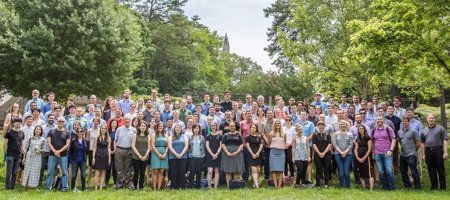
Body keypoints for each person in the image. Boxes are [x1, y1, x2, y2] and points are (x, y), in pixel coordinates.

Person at [420, 113, 448, 190]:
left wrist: (445, 152)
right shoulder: (423, 130)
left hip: (438, 150)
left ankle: (443, 187)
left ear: (434, 119)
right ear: (427, 119)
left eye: (432, 118)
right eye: (429, 118)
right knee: (431, 170)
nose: (431, 119)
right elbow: (422, 143)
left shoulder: (441, 129)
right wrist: (423, 154)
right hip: (428, 151)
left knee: (440, 169)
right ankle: (434, 186)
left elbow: (445, 140)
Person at [46, 116, 70, 191]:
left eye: (62, 121)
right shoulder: (51, 131)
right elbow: (49, 143)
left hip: (63, 155)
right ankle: (48, 188)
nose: (61, 123)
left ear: (64, 123)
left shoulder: (67, 132)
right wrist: (55, 151)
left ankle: (64, 188)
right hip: (52, 155)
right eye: (59, 121)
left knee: (64, 173)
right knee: (50, 172)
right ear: (57, 122)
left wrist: (58, 151)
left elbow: (67, 144)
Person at [372, 116, 396, 190]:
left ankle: (392, 187)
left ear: (383, 120)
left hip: (387, 153)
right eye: (378, 119)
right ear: (376, 121)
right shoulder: (373, 129)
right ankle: (385, 187)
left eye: (380, 119)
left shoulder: (388, 128)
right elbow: (372, 142)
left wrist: (391, 150)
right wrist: (373, 152)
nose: (379, 120)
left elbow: (393, 139)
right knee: (381, 171)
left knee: (389, 171)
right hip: (377, 153)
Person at [398, 117, 421, 189]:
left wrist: (414, 150)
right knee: (403, 171)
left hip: (411, 154)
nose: (405, 123)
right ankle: (407, 185)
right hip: (403, 154)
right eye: (403, 121)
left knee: (413, 171)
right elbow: (399, 142)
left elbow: (418, 143)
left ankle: (418, 186)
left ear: (409, 122)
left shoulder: (413, 131)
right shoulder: (399, 132)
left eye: (406, 121)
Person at [114, 116, 136, 189]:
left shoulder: (134, 130)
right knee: (119, 169)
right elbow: (115, 140)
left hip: (129, 151)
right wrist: (115, 149)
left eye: (128, 119)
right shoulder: (119, 129)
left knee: (128, 169)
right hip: (119, 150)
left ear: (130, 120)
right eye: (125, 119)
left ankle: (127, 185)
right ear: (123, 121)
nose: (127, 121)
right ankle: (119, 185)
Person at [221, 122, 244, 188]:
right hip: (227, 154)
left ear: (235, 127)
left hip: (237, 154)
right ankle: (229, 186)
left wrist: (237, 152)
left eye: (233, 126)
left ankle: (235, 186)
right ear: (228, 127)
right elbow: (223, 144)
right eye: (230, 126)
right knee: (228, 171)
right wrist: (227, 152)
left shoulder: (239, 134)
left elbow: (241, 144)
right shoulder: (225, 135)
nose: (232, 127)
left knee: (236, 170)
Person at [4, 118, 25, 190]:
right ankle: (7, 186)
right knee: (9, 172)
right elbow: (5, 144)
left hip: (18, 156)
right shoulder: (9, 132)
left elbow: (21, 143)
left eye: (19, 122)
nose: (18, 124)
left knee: (15, 172)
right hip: (10, 155)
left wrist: (22, 151)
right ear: (14, 123)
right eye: (16, 122)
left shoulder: (22, 133)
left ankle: (12, 187)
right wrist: (6, 153)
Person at [331, 120, 354, 188]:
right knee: (341, 171)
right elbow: (334, 144)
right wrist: (341, 152)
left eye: (344, 124)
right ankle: (341, 185)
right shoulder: (335, 134)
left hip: (348, 154)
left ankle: (347, 186)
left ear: (347, 125)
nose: (343, 125)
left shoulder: (350, 134)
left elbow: (351, 144)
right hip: (338, 154)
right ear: (339, 125)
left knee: (346, 171)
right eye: (341, 124)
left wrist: (345, 152)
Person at [168, 124, 189, 189]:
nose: (178, 129)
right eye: (177, 127)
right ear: (174, 129)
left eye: (179, 128)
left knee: (182, 172)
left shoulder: (184, 136)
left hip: (183, 157)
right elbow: (169, 147)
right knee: (174, 172)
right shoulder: (170, 137)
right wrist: (176, 154)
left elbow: (186, 146)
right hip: (172, 157)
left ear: (181, 129)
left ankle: (181, 186)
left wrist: (181, 154)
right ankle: (174, 186)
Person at [131, 122, 151, 190]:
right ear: (139, 127)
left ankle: (141, 186)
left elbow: (149, 147)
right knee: (136, 172)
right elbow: (133, 146)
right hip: (136, 157)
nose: (143, 127)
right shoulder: (135, 135)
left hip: (145, 157)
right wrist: (139, 155)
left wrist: (145, 155)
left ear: (146, 128)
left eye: (144, 126)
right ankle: (135, 186)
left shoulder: (148, 136)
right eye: (142, 126)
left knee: (142, 173)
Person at [312, 121, 332, 188]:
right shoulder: (315, 135)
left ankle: (326, 184)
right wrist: (319, 153)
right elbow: (314, 145)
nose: (321, 126)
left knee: (326, 169)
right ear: (317, 126)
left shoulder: (327, 135)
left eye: (322, 125)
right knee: (318, 169)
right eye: (319, 125)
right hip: (317, 154)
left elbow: (329, 145)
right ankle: (318, 185)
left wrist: (324, 153)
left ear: (324, 126)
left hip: (326, 154)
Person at [354, 125, 374, 191]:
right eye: (360, 129)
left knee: (369, 173)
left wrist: (365, 157)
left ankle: (371, 190)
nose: (361, 130)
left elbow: (369, 149)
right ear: (358, 130)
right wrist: (357, 157)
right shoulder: (357, 139)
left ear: (364, 130)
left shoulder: (368, 138)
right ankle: (364, 188)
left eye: (362, 129)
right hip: (359, 158)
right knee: (361, 173)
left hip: (367, 158)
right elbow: (355, 149)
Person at [150, 122, 169, 190]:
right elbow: (152, 145)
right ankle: (154, 188)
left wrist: (165, 154)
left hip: (164, 154)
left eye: (162, 126)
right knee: (155, 171)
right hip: (155, 154)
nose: (160, 127)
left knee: (161, 171)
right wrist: (158, 154)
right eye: (159, 126)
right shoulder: (154, 135)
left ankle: (159, 188)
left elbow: (168, 146)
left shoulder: (165, 135)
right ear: (157, 127)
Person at [268, 120, 286, 189]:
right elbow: (269, 143)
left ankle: (279, 186)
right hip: (273, 152)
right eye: (276, 123)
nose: (277, 124)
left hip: (281, 153)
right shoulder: (271, 134)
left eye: (279, 123)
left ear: (280, 125)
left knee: (281, 170)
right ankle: (276, 186)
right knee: (274, 170)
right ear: (274, 125)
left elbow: (284, 142)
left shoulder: (283, 134)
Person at [92, 126, 111, 190]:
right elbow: (94, 147)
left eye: (105, 129)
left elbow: (108, 148)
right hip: (98, 155)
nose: (103, 130)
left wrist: (109, 158)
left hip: (105, 156)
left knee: (103, 173)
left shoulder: (108, 138)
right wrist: (93, 157)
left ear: (106, 130)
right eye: (102, 128)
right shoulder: (96, 137)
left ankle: (100, 188)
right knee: (97, 173)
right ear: (100, 129)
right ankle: (95, 188)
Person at [245, 123, 263, 188]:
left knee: (258, 170)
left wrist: (258, 153)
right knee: (254, 170)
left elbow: (261, 145)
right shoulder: (247, 137)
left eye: (254, 128)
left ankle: (254, 184)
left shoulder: (259, 137)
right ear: (250, 129)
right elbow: (247, 146)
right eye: (252, 127)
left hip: (258, 154)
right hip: (251, 154)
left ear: (256, 129)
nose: (253, 129)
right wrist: (252, 154)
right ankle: (257, 185)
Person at [188, 124, 206, 188]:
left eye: (197, 128)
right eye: (195, 128)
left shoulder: (202, 137)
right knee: (192, 171)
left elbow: (204, 146)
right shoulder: (190, 137)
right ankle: (191, 185)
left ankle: (198, 185)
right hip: (192, 157)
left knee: (199, 171)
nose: (196, 129)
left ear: (199, 129)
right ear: (192, 129)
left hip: (200, 157)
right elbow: (188, 147)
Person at [205, 122, 222, 188]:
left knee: (217, 171)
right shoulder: (207, 136)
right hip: (210, 155)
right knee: (210, 171)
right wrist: (212, 154)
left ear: (216, 126)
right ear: (210, 127)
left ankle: (215, 186)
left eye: (214, 125)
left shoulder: (220, 136)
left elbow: (221, 146)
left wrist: (217, 154)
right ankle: (209, 186)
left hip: (218, 155)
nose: (213, 127)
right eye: (212, 125)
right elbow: (207, 146)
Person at [86, 117, 100, 186]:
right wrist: (88, 151)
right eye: (94, 121)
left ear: (99, 123)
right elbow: (87, 141)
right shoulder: (89, 130)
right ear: (92, 122)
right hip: (91, 150)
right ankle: (88, 181)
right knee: (91, 166)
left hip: (99, 150)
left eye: (97, 121)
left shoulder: (101, 130)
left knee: (98, 167)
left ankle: (97, 182)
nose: (96, 122)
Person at [105, 120, 118, 186]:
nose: (114, 124)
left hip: (116, 151)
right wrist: (109, 151)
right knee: (108, 167)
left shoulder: (118, 132)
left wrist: (115, 150)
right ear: (110, 124)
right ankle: (106, 181)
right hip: (108, 151)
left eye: (115, 123)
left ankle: (116, 182)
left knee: (115, 168)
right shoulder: (107, 132)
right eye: (113, 123)